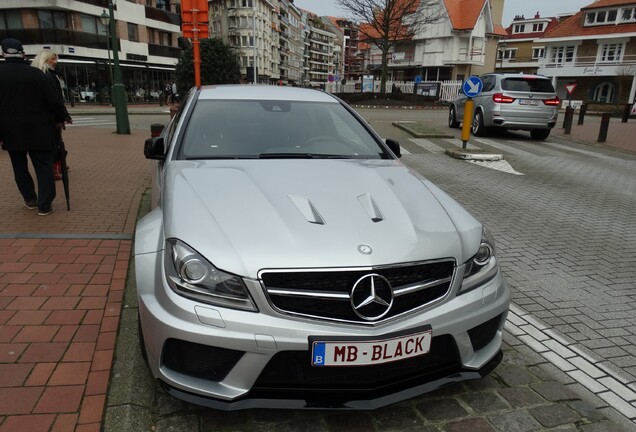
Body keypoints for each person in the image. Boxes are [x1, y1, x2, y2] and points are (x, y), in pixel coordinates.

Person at [0, 38, 68, 215]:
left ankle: (30, 198)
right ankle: (45, 204)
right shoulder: (36, 74)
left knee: (19, 165)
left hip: (10, 130)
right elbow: (54, 101)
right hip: (39, 128)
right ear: (23, 54)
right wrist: (62, 118)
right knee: (43, 165)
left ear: (2, 53)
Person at [31, 48, 73, 180]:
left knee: (51, 142)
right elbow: (55, 99)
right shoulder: (49, 76)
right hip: (50, 117)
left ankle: (57, 164)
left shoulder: (38, 75)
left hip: (40, 116)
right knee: (54, 143)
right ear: (45, 60)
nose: (55, 62)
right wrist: (63, 116)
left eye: (56, 59)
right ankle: (54, 167)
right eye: (53, 59)